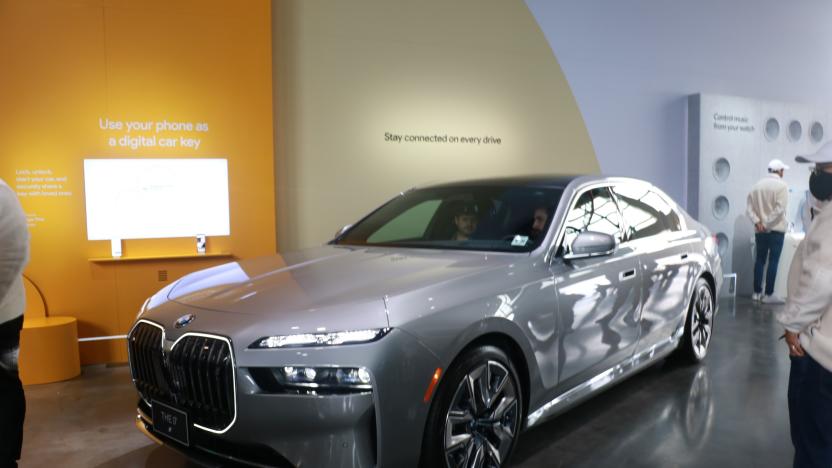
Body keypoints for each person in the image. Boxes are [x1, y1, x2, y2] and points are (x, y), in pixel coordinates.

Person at [777, 143, 832, 468]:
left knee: (814, 445)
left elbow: (822, 279)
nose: (815, 178)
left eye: (821, 170)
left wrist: (792, 326)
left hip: (823, 357)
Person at [0, 177, 29, 468]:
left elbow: (13, 253)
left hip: (2, 317)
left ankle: (5, 457)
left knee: (4, 385)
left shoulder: (0, 194)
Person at [746, 158, 790, 304]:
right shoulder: (782, 186)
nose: (783, 172)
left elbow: (749, 209)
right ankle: (769, 294)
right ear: (779, 171)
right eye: (783, 170)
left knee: (760, 260)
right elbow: (780, 209)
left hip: (760, 230)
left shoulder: (756, 186)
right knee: (773, 261)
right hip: (776, 229)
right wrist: (766, 223)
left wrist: (758, 222)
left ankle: (756, 292)